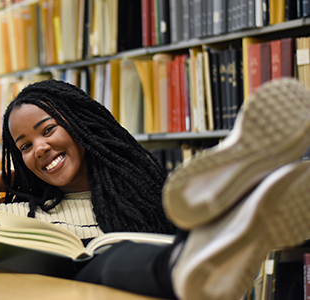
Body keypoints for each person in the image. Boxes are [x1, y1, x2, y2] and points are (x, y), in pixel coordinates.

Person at [75, 77, 310, 300]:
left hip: (117, 269)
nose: (40, 149)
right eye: (34, 145)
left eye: (48, 130)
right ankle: (223, 223)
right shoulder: (38, 204)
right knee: (103, 264)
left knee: (102, 263)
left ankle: (212, 234)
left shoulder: (127, 188)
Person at [0, 79, 175, 262]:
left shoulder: (152, 200)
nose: (39, 149)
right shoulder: (11, 219)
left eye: (48, 130)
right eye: (25, 147)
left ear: (82, 126)